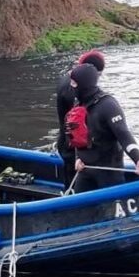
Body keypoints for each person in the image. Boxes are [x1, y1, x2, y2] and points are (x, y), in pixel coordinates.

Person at [68, 63, 139, 193]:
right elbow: (79, 135)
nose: (71, 86)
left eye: (74, 83)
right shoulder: (80, 104)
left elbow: (123, 134)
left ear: (83, 84)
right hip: (85, 170)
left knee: (110, 207)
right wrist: (78, 157)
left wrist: (138, 159)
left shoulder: (108, 105)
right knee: (78, 210)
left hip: (108, 172)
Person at [56, 49, 106, 191]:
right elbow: (79, 122)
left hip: (67, 141)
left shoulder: (69, 80)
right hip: (74, 145)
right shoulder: (77, 89)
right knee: (75, 185)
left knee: (71, 180)